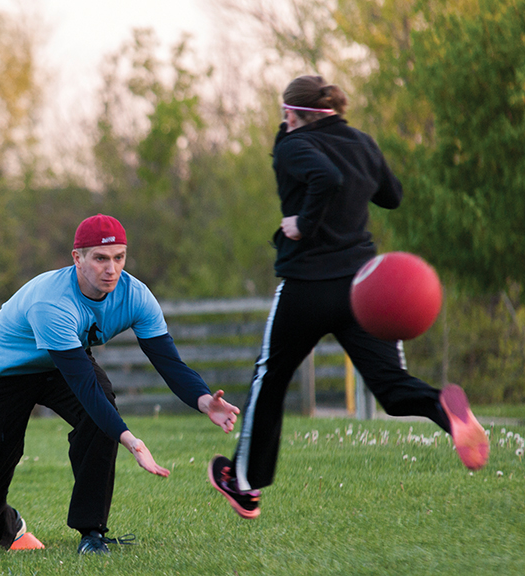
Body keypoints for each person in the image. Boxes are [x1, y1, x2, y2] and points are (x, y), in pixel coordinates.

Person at [207, 75, 489, 519]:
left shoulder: (293, 146)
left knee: (271, 378)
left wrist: (304, 223)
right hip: (363, 288)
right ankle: (442, 407)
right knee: (392, 388)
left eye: (285, 115)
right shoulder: (362, 142)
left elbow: (326, 176)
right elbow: (391, 197)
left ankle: (244, 483)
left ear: (294, 113)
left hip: (307, 286)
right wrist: (357, 176)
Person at [0, 213, 240, 554]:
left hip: (62, 365)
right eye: (100, 258)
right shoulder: (51, 301)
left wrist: (203, 400)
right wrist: (131, 440)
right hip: (1, 375)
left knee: (101, 418)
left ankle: (92, 533)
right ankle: (4, 528)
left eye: (119, 258)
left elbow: (168, 361)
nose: (111, 269)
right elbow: (83, 383)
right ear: (77, 259)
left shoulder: (135, 296)